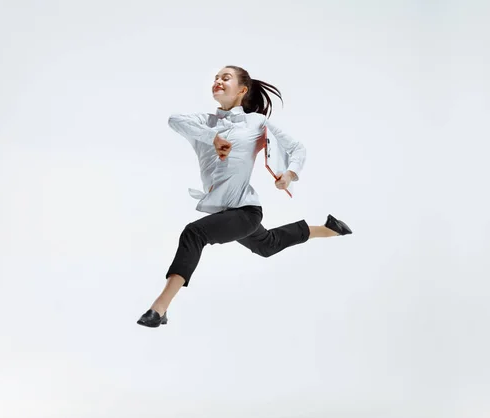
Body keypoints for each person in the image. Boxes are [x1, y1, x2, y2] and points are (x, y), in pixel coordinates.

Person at [137, 65, 352, 328]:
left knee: (194, 234)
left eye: (225, 78)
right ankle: (327, 229)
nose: (217, 81)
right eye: (216, 77)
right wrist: (212, 137)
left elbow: (297, 148)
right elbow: (174, 120)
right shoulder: (203, 123)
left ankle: (159, 309)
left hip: (245, 211)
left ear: (242, 90)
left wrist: (289, 175)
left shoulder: (256, 123)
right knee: (267, 245)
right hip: (222, 213)